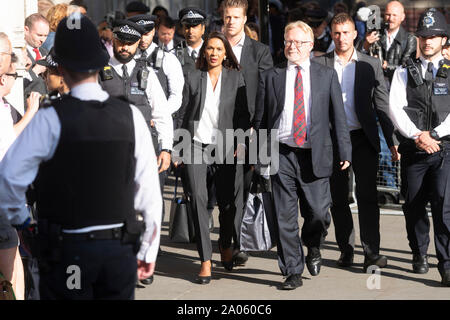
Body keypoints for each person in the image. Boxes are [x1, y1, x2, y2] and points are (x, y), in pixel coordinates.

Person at [0, 14, 162, 299]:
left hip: (65, 251)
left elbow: (9, 179)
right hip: (116, 250)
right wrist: (149, 249)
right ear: (101, 63)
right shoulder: (131, 117)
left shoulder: (48, 119)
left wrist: (24, 225)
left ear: (60, 67)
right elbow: (148, 192)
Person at [253, 20, 351, 290]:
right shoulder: (271, 76)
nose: (291, 46)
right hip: (282, 152)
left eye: (297, 42)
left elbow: (338, 117)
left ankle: (314, 245)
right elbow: (262, 121)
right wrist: (258, 157)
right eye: (287, 41)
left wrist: (345, 151)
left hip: (315, 153)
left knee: (318, 212)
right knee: (285, 216)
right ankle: (292, 270)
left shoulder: (326, 75)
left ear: (310, 45)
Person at [314, 13, 396, 272]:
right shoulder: (321, 64)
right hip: (334, 139)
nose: (341, 38)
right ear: (333, 35)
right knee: (338, 198)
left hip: (363, 137)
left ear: (355, 34)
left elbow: (382, 104)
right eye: (336, 33)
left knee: (368, 197)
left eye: (346, 33)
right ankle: (345, 249)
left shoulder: (370, 64)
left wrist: (392, 141)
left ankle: (372, 253)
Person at [176, 31, 250, 285]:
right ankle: (205, 261)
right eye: (210, 48)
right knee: (198, 198)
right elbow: (183, 113)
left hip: (226, 145)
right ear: (204, 52)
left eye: (219, 49)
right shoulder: (194, 77)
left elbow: (243, 114)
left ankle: (226, 243)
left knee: (229, 205)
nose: (214, 53)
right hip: (195, 144)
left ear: (225, 53)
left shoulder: (236, 78)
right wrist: (177, 148)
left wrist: (241, 141)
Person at [388, 8, 450, 286]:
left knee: (444, 207)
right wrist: (418, 136)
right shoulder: (404, 71)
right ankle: (419, 253)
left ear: (444, 39)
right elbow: (395, 108)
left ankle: (447, 264)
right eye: (424, 36)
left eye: (434, 36)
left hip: (444, 149)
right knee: (413, 206)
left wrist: (435, 133)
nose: (428, 42)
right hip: (414, 149)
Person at [221, 0, 273, 266]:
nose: (230, 21)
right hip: (217, 129)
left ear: (244, 20)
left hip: (248, 130)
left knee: (240, 187)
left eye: (235, 17)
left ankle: (235, 244)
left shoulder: (260, 52)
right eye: (227, 16)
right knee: (223, 190)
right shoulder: (214, 46)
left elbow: (265, 90)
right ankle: (225, 240)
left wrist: (258, 126)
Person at [99, 19, 173, 174]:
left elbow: (161, 113)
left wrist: (166, 149)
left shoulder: (146, 73)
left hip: (143, 151)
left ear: (138, 42)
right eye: (121, 42)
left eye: (130, 43)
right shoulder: (99, 73)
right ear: (113, 39)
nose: (125, 47)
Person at [0, 53, 40, 301]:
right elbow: (6, 142)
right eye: (15, 75)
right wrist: (30, 113)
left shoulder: (6, 106)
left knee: (14, 255)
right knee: (9, 258)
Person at [358, 1, 416, 85]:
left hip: (398, 86)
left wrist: (386, 66)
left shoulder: (409, 39)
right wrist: (366, 44)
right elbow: (358, 59)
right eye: (388, 14)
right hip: (375, 86)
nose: (390, 18)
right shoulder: (374, 34)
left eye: (394, 15)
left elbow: (407, 67)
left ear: (402, 17)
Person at [175, 7, 207, 78]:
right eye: (187, 27)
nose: (191, 31)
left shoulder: (212, 50)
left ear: (203, 29)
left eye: (194, 27)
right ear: (182, 29)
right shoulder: (174, 53)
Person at [24, 13, 50, 96]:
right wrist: (35, 71)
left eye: (46, 36)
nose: (42, 39)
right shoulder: (19, 53)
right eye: (39, 35)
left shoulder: (45, 52)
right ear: (26, 30)